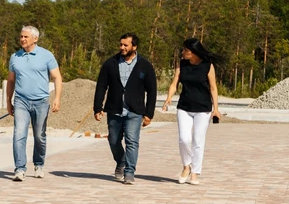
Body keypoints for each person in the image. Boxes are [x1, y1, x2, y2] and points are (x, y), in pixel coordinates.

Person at [93, 33, 158, 185]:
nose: (122, 47)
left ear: (134, 47)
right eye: (121, 44)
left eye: (125, 45)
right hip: (114, 109)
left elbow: (152, 91)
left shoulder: (145, 66)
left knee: (132, 141)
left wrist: (149, 113)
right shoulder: (110, 63)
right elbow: (101, 86)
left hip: (135, 111)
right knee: (113, 140)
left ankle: (129, 172)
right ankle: (121, 161)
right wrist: (98, 107)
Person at [162, 38, 223, 185]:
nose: (183, 53)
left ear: (194, 52)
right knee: (184, 139)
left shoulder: (208, 66)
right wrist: (168, 98)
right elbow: (174, 83)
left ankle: (195, 172)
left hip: (203, 109)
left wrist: (216, 109)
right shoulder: (181, 64)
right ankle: (186, 166)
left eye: (186, 51)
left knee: (198, 140)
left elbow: (213, 88)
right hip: (184, 107)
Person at [6, 25, 62, 181]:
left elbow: (57, 77)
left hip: (41, 102)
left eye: (26, 37)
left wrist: (57, 98)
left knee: (39, 136)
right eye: (21, 36)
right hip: (21, 101)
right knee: (19, 134)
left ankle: (39, 164)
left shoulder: (47, 55)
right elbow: (11, 81)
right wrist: (9, 102)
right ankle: (19, 168)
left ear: (35, 38)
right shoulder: (14, 57)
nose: (22, 39)